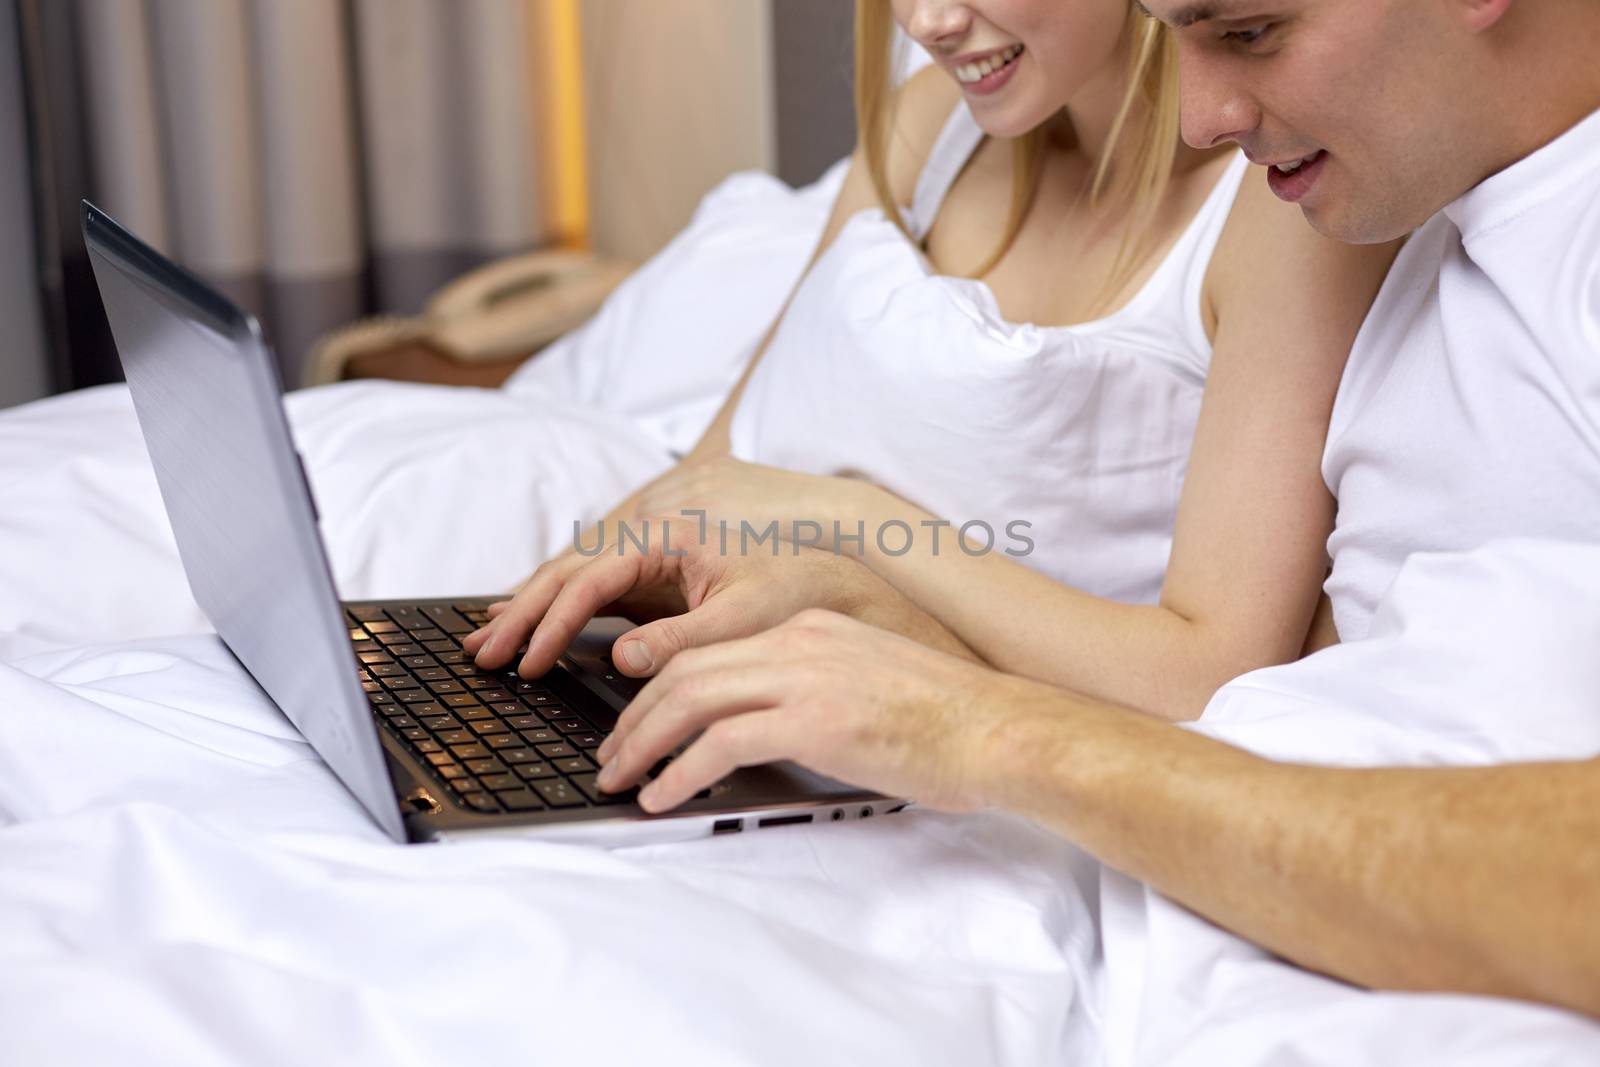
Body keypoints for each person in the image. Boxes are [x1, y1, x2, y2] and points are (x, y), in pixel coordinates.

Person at [475, 0, 1600, 1017]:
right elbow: (1315, 685)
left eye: (1250, 31)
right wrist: (875, 619)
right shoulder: (1410, 209)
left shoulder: (1344, 219)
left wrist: (960, 705)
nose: (1201, 113)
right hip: (1157, 900)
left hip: (1168, 926)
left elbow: (1233, 684)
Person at [466, 0, 1397, 724]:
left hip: (958, 758)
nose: (928, 22)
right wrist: (532, 633)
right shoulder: (931, 125)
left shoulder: (1278, 217)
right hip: (746, 684)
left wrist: (847, 517)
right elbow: (713, 474)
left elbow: (1209, 673)